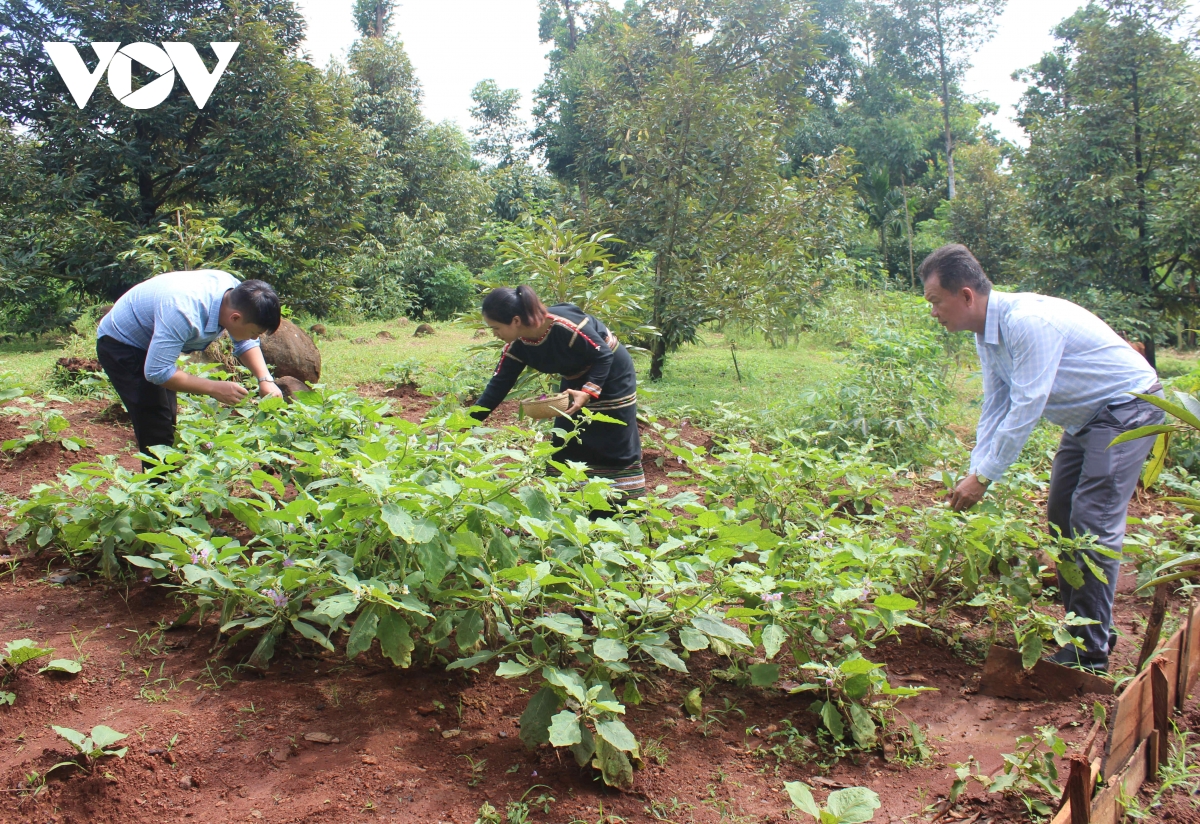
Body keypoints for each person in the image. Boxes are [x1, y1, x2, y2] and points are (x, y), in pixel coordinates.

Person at [920, 244, 1164, 673]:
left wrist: (986, 478)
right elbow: (996, 404)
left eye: (936, 302)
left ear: (966, 296)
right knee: (1060, 516)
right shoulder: (987, 334)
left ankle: (1089, 652)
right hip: (1086, 419)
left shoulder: (1027, 322)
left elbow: (1028, 404)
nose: (934, 312)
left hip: (1128, 408)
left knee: (1092, 522)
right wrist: (976, 469)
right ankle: (1084, 631)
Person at [470, 285, 645, 508]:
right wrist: (468, 422)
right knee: (566, 434)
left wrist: (588, 391)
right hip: (575, 379)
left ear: (515, 320)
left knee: (612, 433)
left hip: (611, 373)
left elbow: (603, 355)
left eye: (495, 328)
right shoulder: (518, 345)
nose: (495, 334)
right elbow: (498, 385)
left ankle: (622, 504)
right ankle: (571, 502)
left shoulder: (564, 325)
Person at [96, 270, 284, 466]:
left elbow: (243, 342)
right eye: (254, 333)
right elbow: (158, 372)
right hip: (122, 343)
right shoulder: (183, 312)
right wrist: (214, 388)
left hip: (154, 338)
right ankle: (158, 492)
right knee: (155, 421)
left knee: (167, 416)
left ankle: (166, 479)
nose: (255, 338)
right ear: (235, 318)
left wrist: (265, 379)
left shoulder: (236, 293)